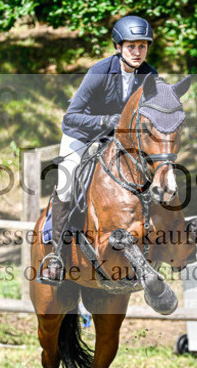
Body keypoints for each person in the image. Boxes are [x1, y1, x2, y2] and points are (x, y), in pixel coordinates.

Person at [39, 15, 158, 285]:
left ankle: (157, 251)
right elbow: (70, 118)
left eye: (142, 46)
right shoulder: (99, 72)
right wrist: (106, 120)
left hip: (118, 141)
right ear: (118, 47)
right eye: (132, 47)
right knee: (67, 181)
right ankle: (56, 257)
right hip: (82, 134)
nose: (138, 52)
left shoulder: (150, 75)